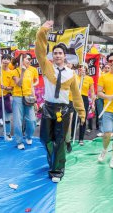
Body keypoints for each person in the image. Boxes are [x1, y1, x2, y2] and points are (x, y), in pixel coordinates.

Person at [35, 20, 85, 183]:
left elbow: (76, 95)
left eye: (60, 53)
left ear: (64, 56)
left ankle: (57, 170)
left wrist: (81, 112)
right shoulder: (47, 67)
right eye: (55, 53)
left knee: (60, 141)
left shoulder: (71, 74)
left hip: (63, 111)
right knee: (45, 139)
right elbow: (40, 51)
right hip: (48, 108)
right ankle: (54, 160)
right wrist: (42, 31)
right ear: (53, 56)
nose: (57, 55)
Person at [10, 53, 37, 150]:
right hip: (17, 97)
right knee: (18, 121)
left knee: (32, 120)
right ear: (22, 60)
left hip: (28, 97)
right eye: (28, 59)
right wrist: (22, 72)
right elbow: (19, 83)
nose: (30, 61)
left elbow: (31, 86)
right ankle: (19, 141)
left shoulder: (30, 72)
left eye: (31, 59)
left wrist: (35, 100)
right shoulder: (14, 71)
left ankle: (28, 136)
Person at [72, 63, 95, 146]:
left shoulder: (89, 79)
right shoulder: (74, 76)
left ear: (86, 69)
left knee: (83, 118)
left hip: (84, 99)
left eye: (83, 68)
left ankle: (81, 138)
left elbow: (92, 92)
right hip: (74, 98)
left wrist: (93, 103)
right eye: (80, 67)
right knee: (73, 119)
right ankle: (71, 137)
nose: (81, 69)